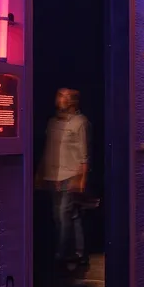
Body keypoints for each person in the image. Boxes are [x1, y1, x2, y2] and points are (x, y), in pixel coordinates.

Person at [38, 88, 90, 269]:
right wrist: (41, 173)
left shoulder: (79, 122)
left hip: (71, 174)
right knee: (68, 216)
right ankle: (79, 253)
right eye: (60, 95)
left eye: (66, 96)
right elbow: (48, 149)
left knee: (63, 215)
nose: (62, 99)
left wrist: (82, 177)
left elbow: (84, 153)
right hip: (54, 174)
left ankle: (62, 255)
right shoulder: (52, 123)